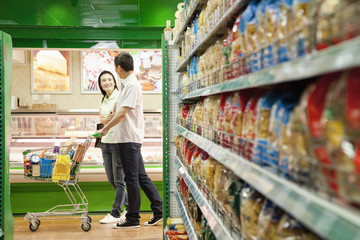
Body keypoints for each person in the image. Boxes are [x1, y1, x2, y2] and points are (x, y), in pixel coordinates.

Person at [99, 53, 163, 228]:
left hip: (128, 139)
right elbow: (119, 110)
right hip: (127, 138)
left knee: (132, 179)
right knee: (141, 177)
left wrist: (105, 128)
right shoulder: (127, 85)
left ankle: (133, 218)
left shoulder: (132, 85)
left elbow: (122, 113)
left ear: (119, 68)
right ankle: (158, 209)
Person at [97, 70, 128, 224]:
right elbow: (102, 118)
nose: (107, 82)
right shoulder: (104, 99)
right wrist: (107, 119)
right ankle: (128, 206)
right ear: (101, 85)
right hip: (105, 143)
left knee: (119, 181)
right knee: (111, 180)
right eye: (104, 81)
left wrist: (110, 119)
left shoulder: (119, 96)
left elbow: (120, 117)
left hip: (117, 143)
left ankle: (115, 213)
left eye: (109, 79)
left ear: (114, 82)